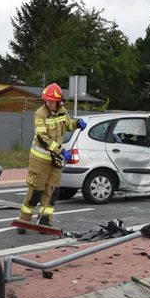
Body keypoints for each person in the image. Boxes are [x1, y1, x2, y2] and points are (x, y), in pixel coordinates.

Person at [17, 83, 86, 230]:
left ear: (58, 101)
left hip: (56, 160)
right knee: (36, 191)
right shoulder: (40, 114)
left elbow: (68, 125)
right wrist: (61, 151)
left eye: (51, 100)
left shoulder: (62, 111)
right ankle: (24, 221)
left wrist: (77, 123)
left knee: (52, 192)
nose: (48, 103)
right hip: (40, 160)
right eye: (47, 100)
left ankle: (45, 223)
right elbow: (43, 138)